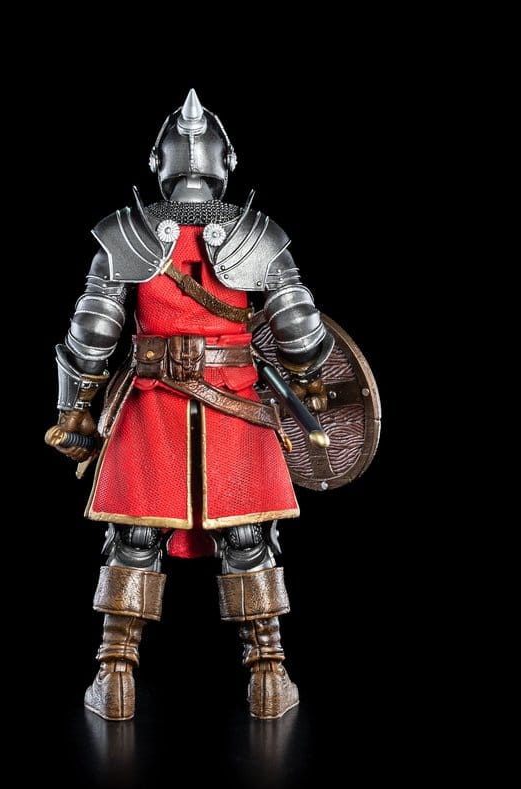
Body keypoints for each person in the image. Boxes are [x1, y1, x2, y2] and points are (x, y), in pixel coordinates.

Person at [46, 89, 333, 720]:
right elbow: (301, 333)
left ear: (160, 162)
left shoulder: (125, 234)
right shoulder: (259, 236)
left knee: (135, 537)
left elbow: (91, 335)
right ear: (226, 162)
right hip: (236, 408)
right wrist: (311, 382)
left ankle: (116, 676)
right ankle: (268, 676)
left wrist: (73, 411)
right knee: (249, 538)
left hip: (151, 407)